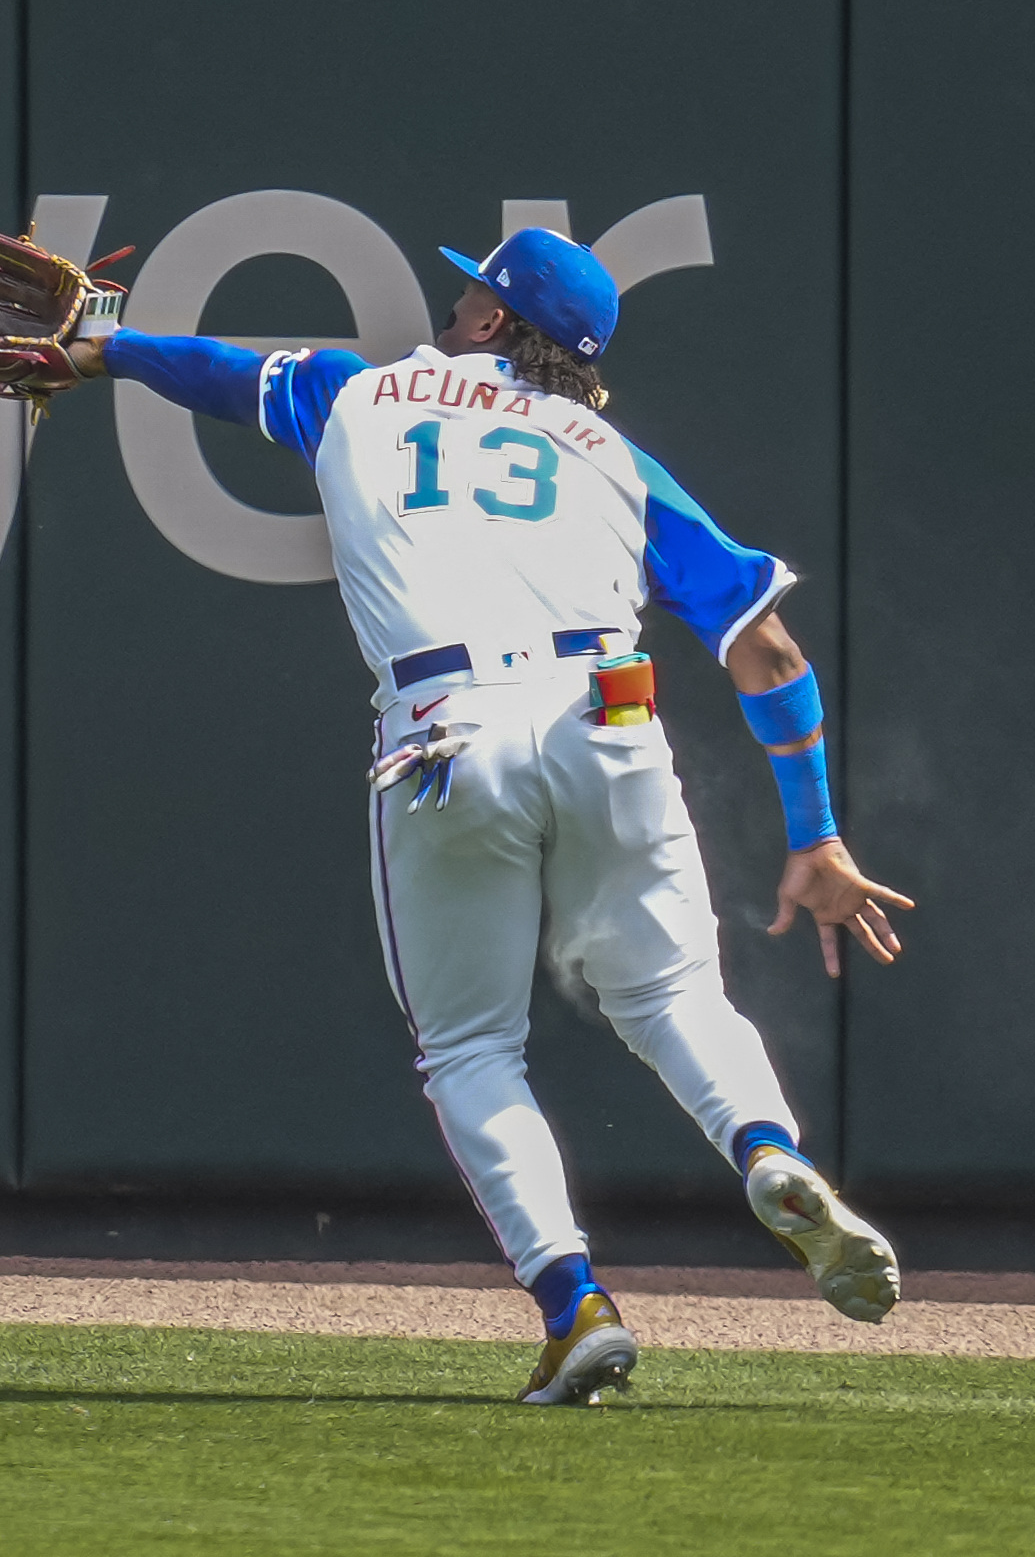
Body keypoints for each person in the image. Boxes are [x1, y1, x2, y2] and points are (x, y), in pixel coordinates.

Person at [71, 227, 915, 1406]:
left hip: (446, 717)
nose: (452, 297)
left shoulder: (359, 393)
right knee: (673, 995)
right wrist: (815, 831)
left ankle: (577, 1308)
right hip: (609, 709)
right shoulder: (612, 451)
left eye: (471, 287)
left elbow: (212, 367)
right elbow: (767, 648)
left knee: (470, 1045)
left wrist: (101, 347)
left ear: (490, 323)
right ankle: (770, 1153)